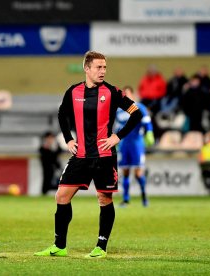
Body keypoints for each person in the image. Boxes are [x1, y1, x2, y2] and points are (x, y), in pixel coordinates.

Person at [34, 51, 143, 258]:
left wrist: (118, 137)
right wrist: (68, 139)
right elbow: (61, 113)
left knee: (104, 198)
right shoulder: (73, 91)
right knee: (61, 196)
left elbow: (136, 113)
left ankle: (101, 247)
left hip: (104, 156)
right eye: (98, 67)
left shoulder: (112, 92)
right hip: (81, 155)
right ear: (87, 68)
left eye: (104, 67)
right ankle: (59, 246)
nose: (102, 71)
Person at [115, 86, 154, 207]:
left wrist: (149, 132)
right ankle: (126, 199)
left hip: (137, 143)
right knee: (125, 172)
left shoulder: (139, 107)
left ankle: (144, 196)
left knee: (138, 173)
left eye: (127, 93)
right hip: (124, 144)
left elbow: (147, 121)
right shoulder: (119, 110)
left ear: (132, 95)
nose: (125, 96)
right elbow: (117, 127)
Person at [39, 131, 62, 195]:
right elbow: (48, 157)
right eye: (49, 138)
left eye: (51, 138)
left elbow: (58, 152)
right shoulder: (43, 148)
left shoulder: (55, 147)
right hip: (47, 168)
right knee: (47, 180)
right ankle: (44, 193)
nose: (50, 139)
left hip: (55, 168)